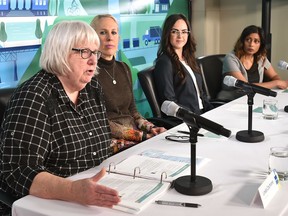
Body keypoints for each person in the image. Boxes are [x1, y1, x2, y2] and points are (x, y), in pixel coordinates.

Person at [0, 21, 121, 215]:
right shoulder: (33, 96)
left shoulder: (93, 88)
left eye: (95, 52)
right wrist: (73, 191)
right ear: (60, 52)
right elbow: (18, 171)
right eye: (84, 52)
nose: (93, 60)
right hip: (50, 204)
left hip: (92, 199)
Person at [90, 14, 166, 153]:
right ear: (92, 38)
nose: (109, 37)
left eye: (114, 32)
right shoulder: (89, 72)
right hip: (111, 143)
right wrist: (142, 136)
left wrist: (151, 128)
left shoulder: (124, 67)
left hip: (137, 137)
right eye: (103, 32)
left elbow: (133, 111)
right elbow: (100, 123)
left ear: (118, 37)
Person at [154, 13, 213, 122]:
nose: (180, 36)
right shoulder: (164, 63)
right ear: (168, 34)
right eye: (175, 31)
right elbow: (169, 102)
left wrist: (214, 112)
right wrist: (194, 118)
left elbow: (202, 94)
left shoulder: (189, 59)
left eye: (184, 31)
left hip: (203, 114)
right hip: (187, 120)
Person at [217, 25, 288, 101]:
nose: (251, 44)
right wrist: (276, 83)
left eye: (256, 41)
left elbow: (274, 75)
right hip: (231, 102)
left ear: (260, 44)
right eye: (248, 40)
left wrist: (280, 83)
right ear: (242, 41)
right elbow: (245, 86)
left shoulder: (261, 58)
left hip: (255, 98)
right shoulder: (231, 58)